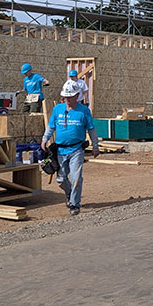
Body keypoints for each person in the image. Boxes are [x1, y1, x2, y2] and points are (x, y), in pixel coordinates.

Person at [42, 85, 99, 215]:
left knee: (76, 178)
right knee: (61, 179)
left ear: (76, 96)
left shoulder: (84, 111)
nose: (67, 99)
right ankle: (69, 193)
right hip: (60, 150)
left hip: (77, 149)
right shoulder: (57, 109)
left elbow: (91, 129)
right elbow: (51, 127)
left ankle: (74, 204)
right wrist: (45, 139)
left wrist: (95, 146)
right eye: (65, 97)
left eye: (70, 97)